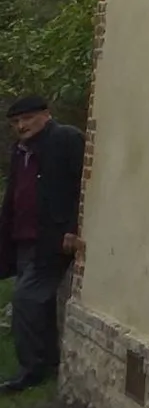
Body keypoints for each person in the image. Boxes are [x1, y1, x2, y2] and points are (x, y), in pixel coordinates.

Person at [0, 97, 83, 392]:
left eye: (27, 118)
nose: (21, 126)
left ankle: (31, 370)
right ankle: (48, 362)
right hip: (24, 238)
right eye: (16, 122)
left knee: (25, 299)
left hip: (52, 238)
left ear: (46, 115)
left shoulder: (65, 139)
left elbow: (84, 186)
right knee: (40, 304)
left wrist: (73, 228)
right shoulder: (21, 150)